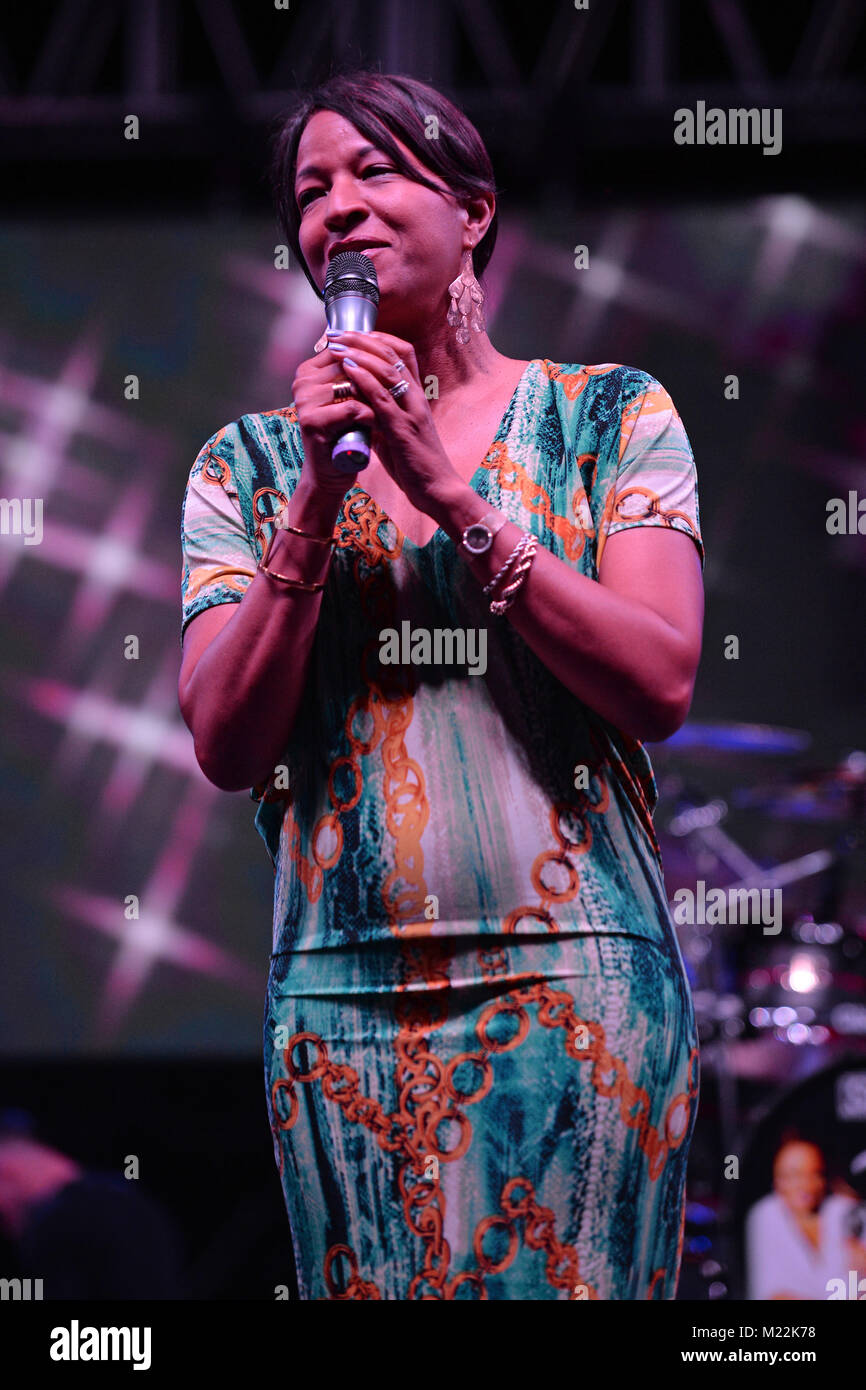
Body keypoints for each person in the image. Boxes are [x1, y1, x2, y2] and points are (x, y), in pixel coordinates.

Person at [177, 70, 705, 1300]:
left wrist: (454, 498)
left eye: (375, 172)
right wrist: (316, 499)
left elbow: (658, 680)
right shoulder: (247, 466)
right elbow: (222, 738)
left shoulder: (606, 416)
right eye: (312, 191)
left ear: (472, 210)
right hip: (338, 995)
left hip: (574, 981)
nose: (338, 210)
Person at [746, 1138, 866, 1300]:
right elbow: (773, 1293)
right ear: (777, 1181)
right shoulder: (766, 1216)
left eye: (814, 1174)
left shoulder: (844, 1210)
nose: (805, 1185)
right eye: (794, 1175)